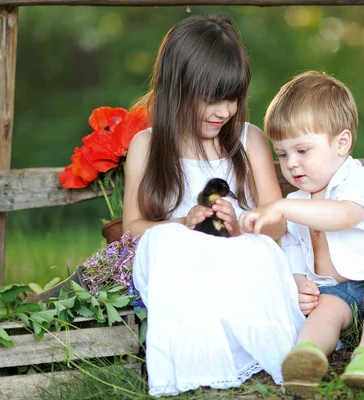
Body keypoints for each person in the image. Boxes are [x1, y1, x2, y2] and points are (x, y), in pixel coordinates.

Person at [124, 14, 305, 397]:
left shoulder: (247, 140)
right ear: (177, 89)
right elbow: (132, 230)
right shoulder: (146, 145)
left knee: (252, 253)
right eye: (211, 98)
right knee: (168, 245)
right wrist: (180, 223)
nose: (224, 111)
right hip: (183, 259)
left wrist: (240, 223)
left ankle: (251, 349)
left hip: (236, 255)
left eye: (233, 98)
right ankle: (196, 359)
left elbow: (278, 223)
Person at [239, 71, 364, 393]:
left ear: (341, 143)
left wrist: (283, 209)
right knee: (323, 315)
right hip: (332, 289)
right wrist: (297, 278)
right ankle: (306, 357)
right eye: (283, 154)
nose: (291, 164)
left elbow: (343, 215)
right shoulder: (296, 201)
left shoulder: (362, 181)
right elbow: (291, 245)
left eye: (303, 151)